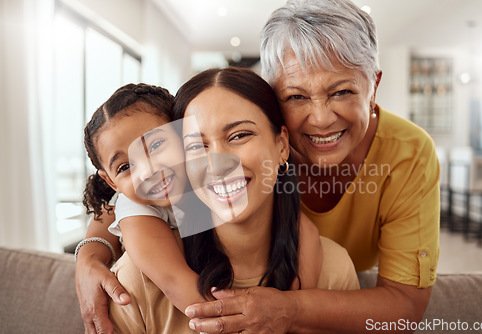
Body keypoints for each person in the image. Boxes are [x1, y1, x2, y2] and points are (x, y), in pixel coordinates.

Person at [184, 1, 440, 333]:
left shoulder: (409, 154)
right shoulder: (254, 145)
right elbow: (135, 180)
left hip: (341, 288)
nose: (320, 119)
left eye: (342, 91)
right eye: (296, 97)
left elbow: (405, 306)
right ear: (272, 98)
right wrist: (97, 245)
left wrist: (288, 308)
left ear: (374, 85)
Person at [108, 66, 359, 333]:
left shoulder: (333, 269)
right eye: (196, 147)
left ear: (282, 146)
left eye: (239, 135)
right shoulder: (137, 281)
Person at [81, 83, 206, 315]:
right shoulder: (134, 209)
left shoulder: (211, 173)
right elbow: (176, 282)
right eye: (125, 166)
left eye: (156, 145)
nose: (147, 171)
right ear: (111, 182)